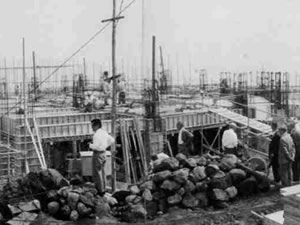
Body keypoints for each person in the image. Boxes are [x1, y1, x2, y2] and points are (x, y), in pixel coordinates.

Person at [89, 119, 115, 196]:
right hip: (104, 153)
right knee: (103, 172)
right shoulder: (104, 132)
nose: (92, 128)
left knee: (97, 172)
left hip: (98, 153)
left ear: (96, 125)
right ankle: (104, 188)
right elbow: (112, 140)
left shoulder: (96, 135)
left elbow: (96, 147)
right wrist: (105, 146)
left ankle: (100, 190)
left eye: (92, 126)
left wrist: (90, 145)